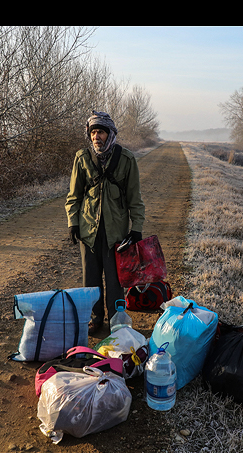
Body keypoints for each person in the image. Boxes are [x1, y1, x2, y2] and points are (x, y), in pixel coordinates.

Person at [65, 111, 145, 334]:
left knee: (115, 282)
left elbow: (135, 200)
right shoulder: (82, 158)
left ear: (110, 133)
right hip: (88, 231)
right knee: (90, 281)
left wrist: (136, 229)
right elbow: (74, 197)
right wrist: (73, 223)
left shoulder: (127, 160)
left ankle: (117, 321)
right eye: (92, 132)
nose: (95, 136)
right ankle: (95, 319)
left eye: (100, 131)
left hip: (116, 235)